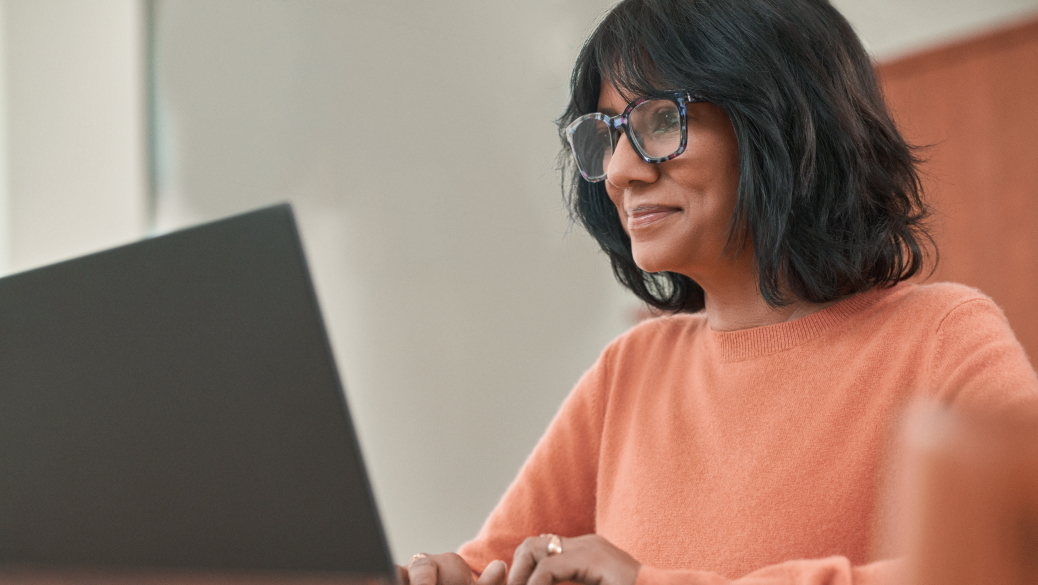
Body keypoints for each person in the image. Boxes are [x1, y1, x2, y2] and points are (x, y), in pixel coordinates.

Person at [399, 0, 1038, 584]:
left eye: (658, 120)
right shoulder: (631, 368)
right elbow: (493, 563)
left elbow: (1006, 564)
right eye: (606, 134)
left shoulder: (942, 334)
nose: (622, 172)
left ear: (786, 121)